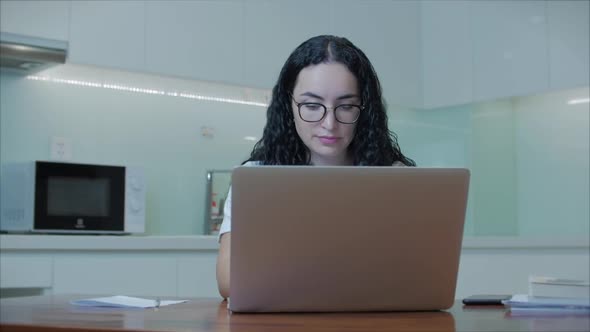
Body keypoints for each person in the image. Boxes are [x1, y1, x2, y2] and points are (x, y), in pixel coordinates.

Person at [215, 35, 415, 299]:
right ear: (289, 105)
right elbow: (229, 282)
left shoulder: (396, 177)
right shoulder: (256, 177)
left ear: (364, 109)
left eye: (345, 106)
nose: (329, 123)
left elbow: (413, 277)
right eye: (311, 105)